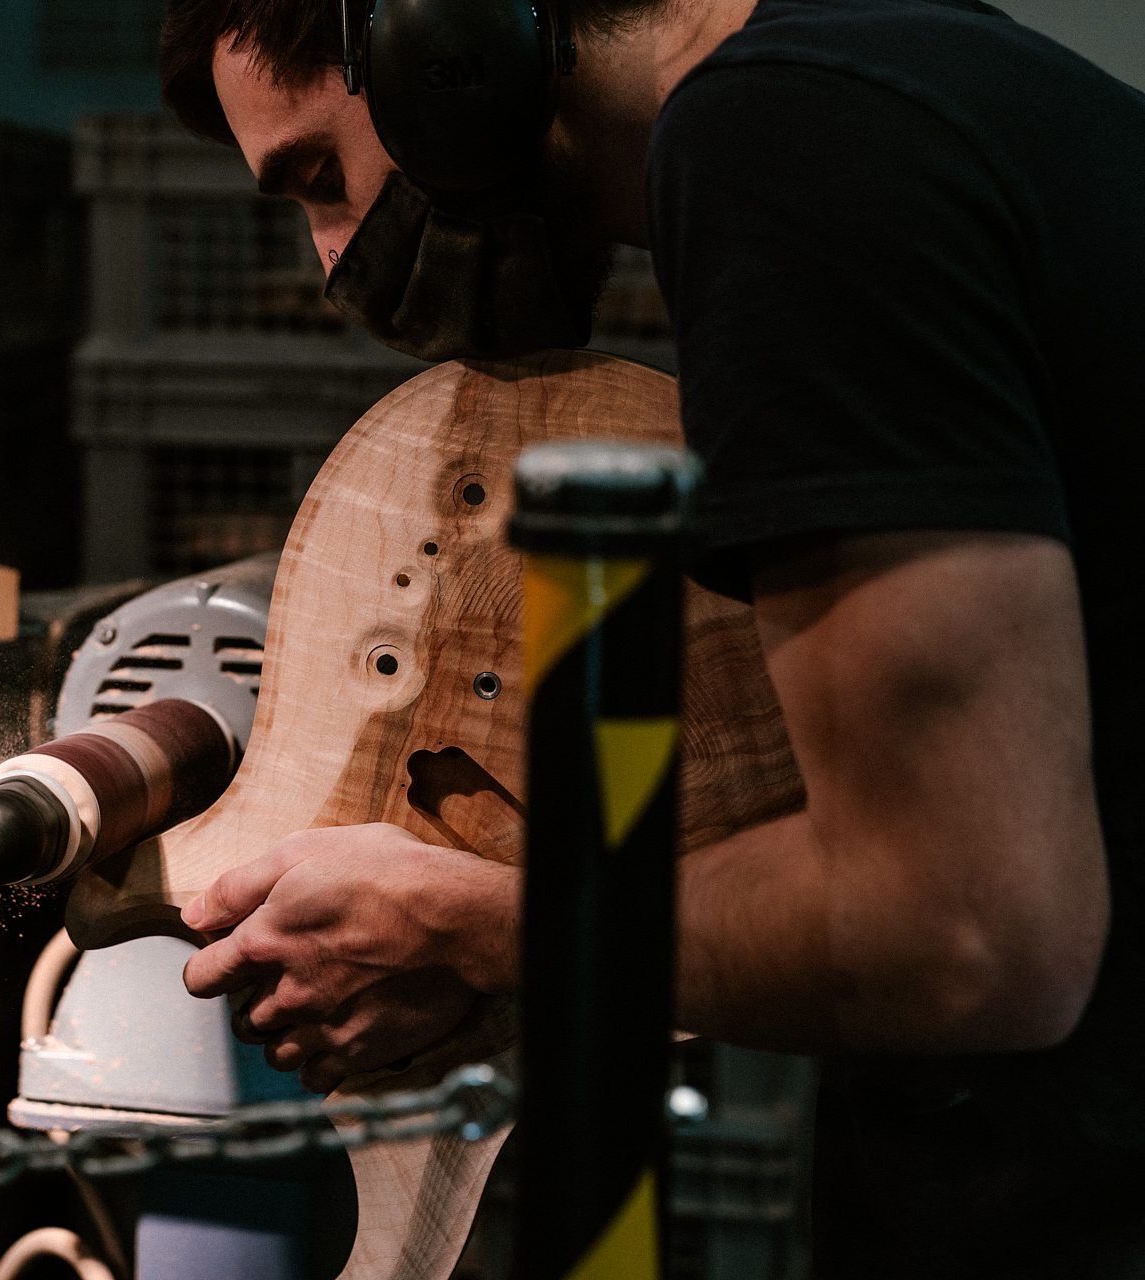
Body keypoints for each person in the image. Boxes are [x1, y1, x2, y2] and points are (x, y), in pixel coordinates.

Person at [155, 0, 1145, 1273]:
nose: (335, 258)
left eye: (320, 179)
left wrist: (474, 924)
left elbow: (965, 929)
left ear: (426, 43)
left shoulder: (784, 139)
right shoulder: (879, 75)